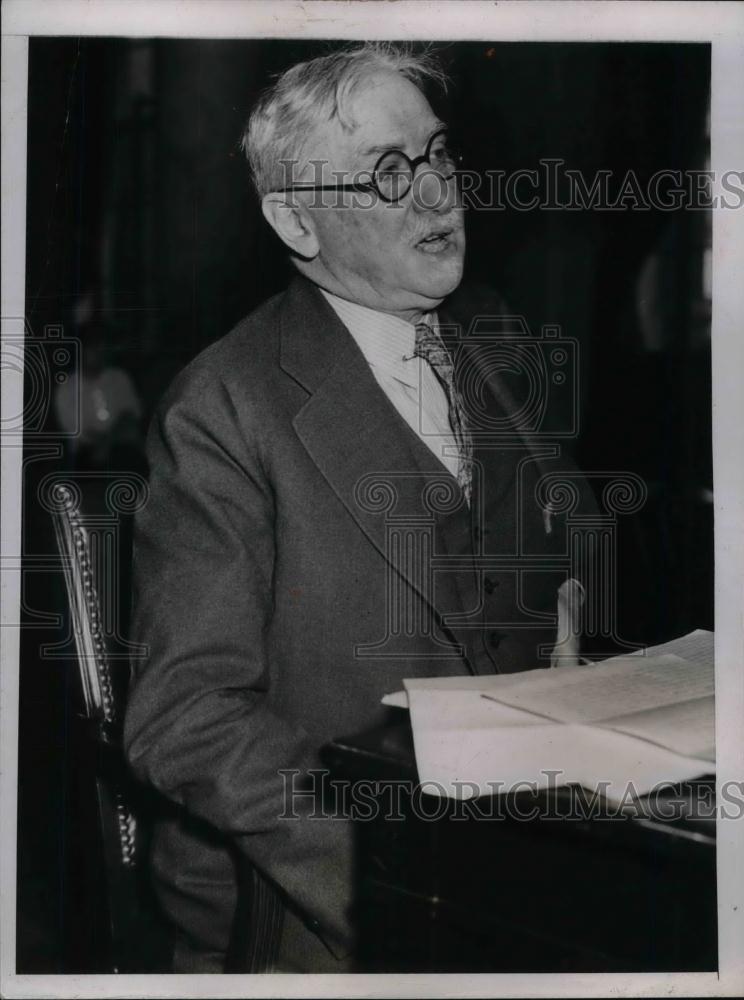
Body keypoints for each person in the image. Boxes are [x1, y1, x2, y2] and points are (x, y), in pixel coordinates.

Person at [124, 43, 596, 974]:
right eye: (388, 172)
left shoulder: (498, 343)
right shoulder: (224, 407)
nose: (436, 194)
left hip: (527, 861)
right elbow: (185, 714)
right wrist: (400, 872)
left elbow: (549, 573)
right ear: (298, 221)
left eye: (438, 154)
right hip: (324, 912)